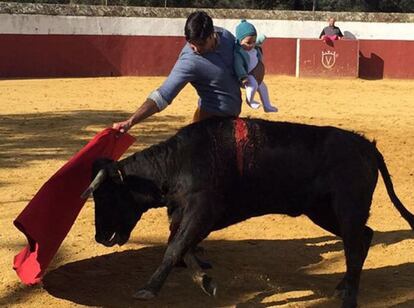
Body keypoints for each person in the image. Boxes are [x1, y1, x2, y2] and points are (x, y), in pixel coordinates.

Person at [113, 11, 263, 133]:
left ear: (212, 34)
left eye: (201, 44)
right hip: (207, 126)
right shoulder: (189, 61)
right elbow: (163, 95)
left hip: (232, 122)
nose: (196, 49)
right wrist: (131, 121)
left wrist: (257, 69)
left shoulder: (226, 37)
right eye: (192, 44)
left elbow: (243, 64)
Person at [233, 20, 278, 113]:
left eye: (254, 41)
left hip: (257, 76)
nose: (252, 45)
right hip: (247, 76)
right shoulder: (239, 53)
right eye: (249, 42)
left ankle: (267, 106)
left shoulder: (252, 46)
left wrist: (263, 37)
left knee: (263, 88)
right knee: (253, 85)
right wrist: (243, 77)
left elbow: (257, 41)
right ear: (239, 41)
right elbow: (238, 65)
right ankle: (250, 101)